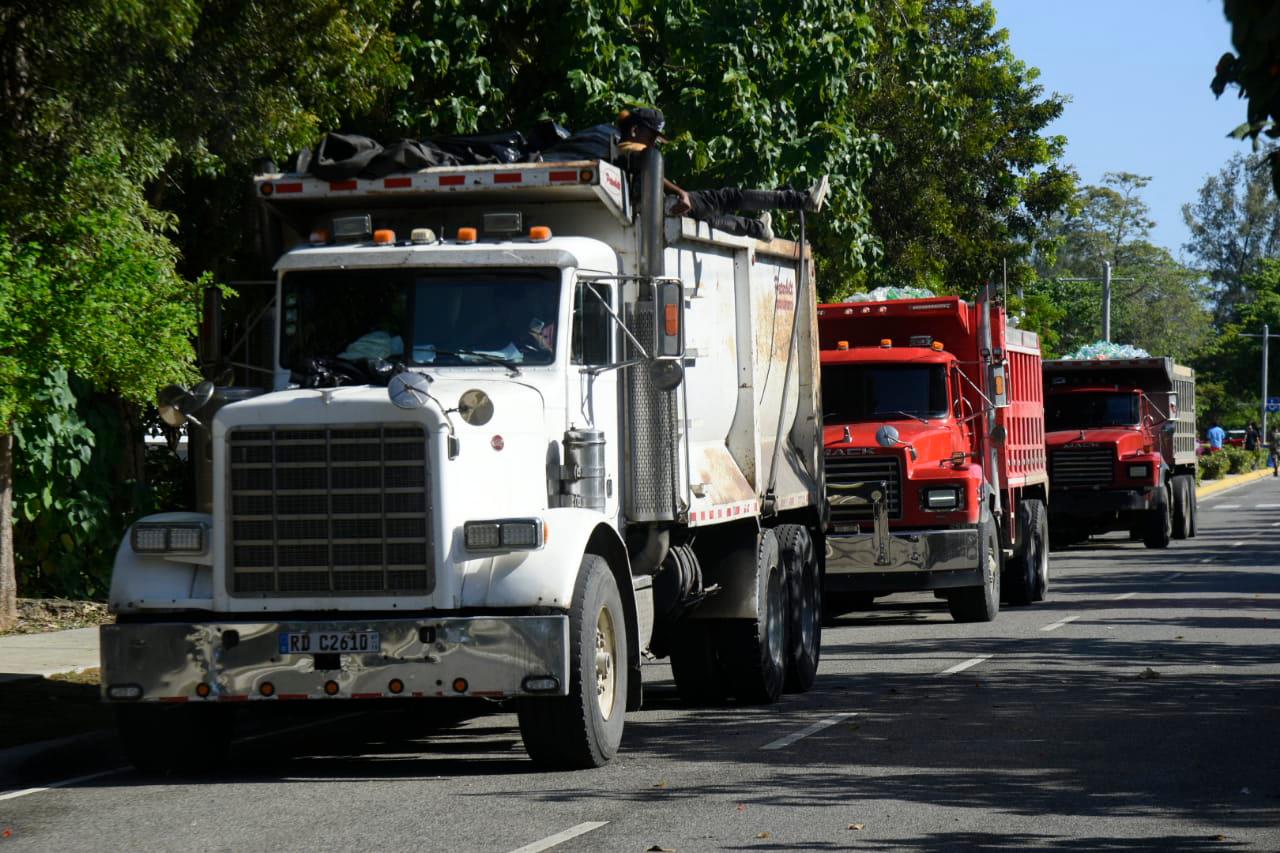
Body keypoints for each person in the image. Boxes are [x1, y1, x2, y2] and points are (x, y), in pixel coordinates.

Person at [615, 107, 830, 241]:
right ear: (635, 131)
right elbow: (651, 171)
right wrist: (682, 193)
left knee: (713, 220)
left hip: (659, 210)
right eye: (652, 136)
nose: (654, 143)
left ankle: (758, 229)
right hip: (665, 206)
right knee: (727, 197)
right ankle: (802, 200)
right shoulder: (631, 149)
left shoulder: (617, 150)